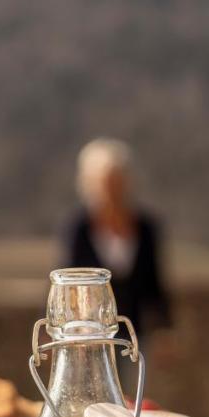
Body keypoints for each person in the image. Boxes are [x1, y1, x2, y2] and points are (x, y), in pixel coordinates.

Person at [63, 139, 171, 364]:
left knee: (131, 397)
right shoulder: (79, 228)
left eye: (116, 182)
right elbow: (66, 280)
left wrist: (164, 327)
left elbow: (155, 282)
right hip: (89, 339)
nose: (111, 190)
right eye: (105, 183)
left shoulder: (146, 227)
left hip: (134, 335)